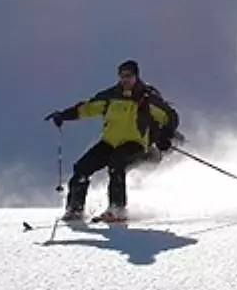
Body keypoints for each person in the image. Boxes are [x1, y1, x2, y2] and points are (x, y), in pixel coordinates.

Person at [44, 60, 179, 223]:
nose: (125, 79)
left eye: (128, 75)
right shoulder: (111, 96)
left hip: (135, 143)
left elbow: (169, 116)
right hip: (109, 142)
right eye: (122, 76)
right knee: (81, 167)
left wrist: (164, 137)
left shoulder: (146, 98)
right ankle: (75, 209)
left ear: (136, 76)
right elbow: (87, 108)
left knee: (117, 162)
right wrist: (63, 115)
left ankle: (117, 209)